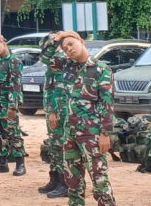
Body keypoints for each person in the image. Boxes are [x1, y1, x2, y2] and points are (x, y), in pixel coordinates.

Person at [42, 31, 116, 206]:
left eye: (71, 44)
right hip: (70, 132)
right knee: (72, 179)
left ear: (81, 42)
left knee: (99, 178)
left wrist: (105, 133)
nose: (69, 49)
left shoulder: (100, 69)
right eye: (65, 48)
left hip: (92, 133)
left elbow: (107, 103)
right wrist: (57, 40)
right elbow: (45, 58)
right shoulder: (67, 66)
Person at [0, 35, 26, 176]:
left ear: (4, 42)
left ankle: (20, 163)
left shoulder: (14, 61)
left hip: (7, 103)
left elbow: (16, 85)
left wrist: (12, 106)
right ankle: (2, 162)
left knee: (13, 132)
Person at [38, 33, 71, 198]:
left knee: (61, 146)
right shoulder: (55, 57)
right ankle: (56, 179)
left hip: (59, 110)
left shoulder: (59, 56)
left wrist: (54, 111)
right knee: (54, 145)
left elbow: (60, 88)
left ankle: (65, 183)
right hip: (53, 108)